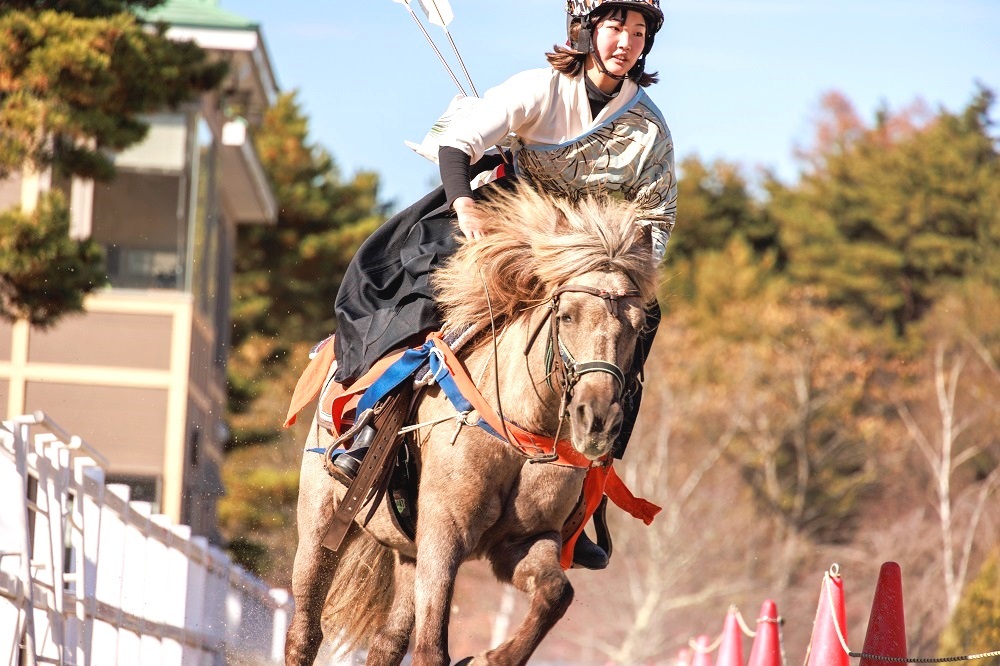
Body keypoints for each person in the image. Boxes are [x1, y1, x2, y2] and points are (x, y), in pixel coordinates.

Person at [330, 0, 677, 569]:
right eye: (617, 27)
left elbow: (656, 215)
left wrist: (623, 272)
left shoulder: (648, 125)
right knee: (422, 298)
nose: (627, 42)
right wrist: (463, 205)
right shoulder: (537, 89)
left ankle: (586, 492)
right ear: (588, 30)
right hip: (507, 229)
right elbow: (457, 144)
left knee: (631, 339)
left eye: (639, 33)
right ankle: (373, 432)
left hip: (587, 261)